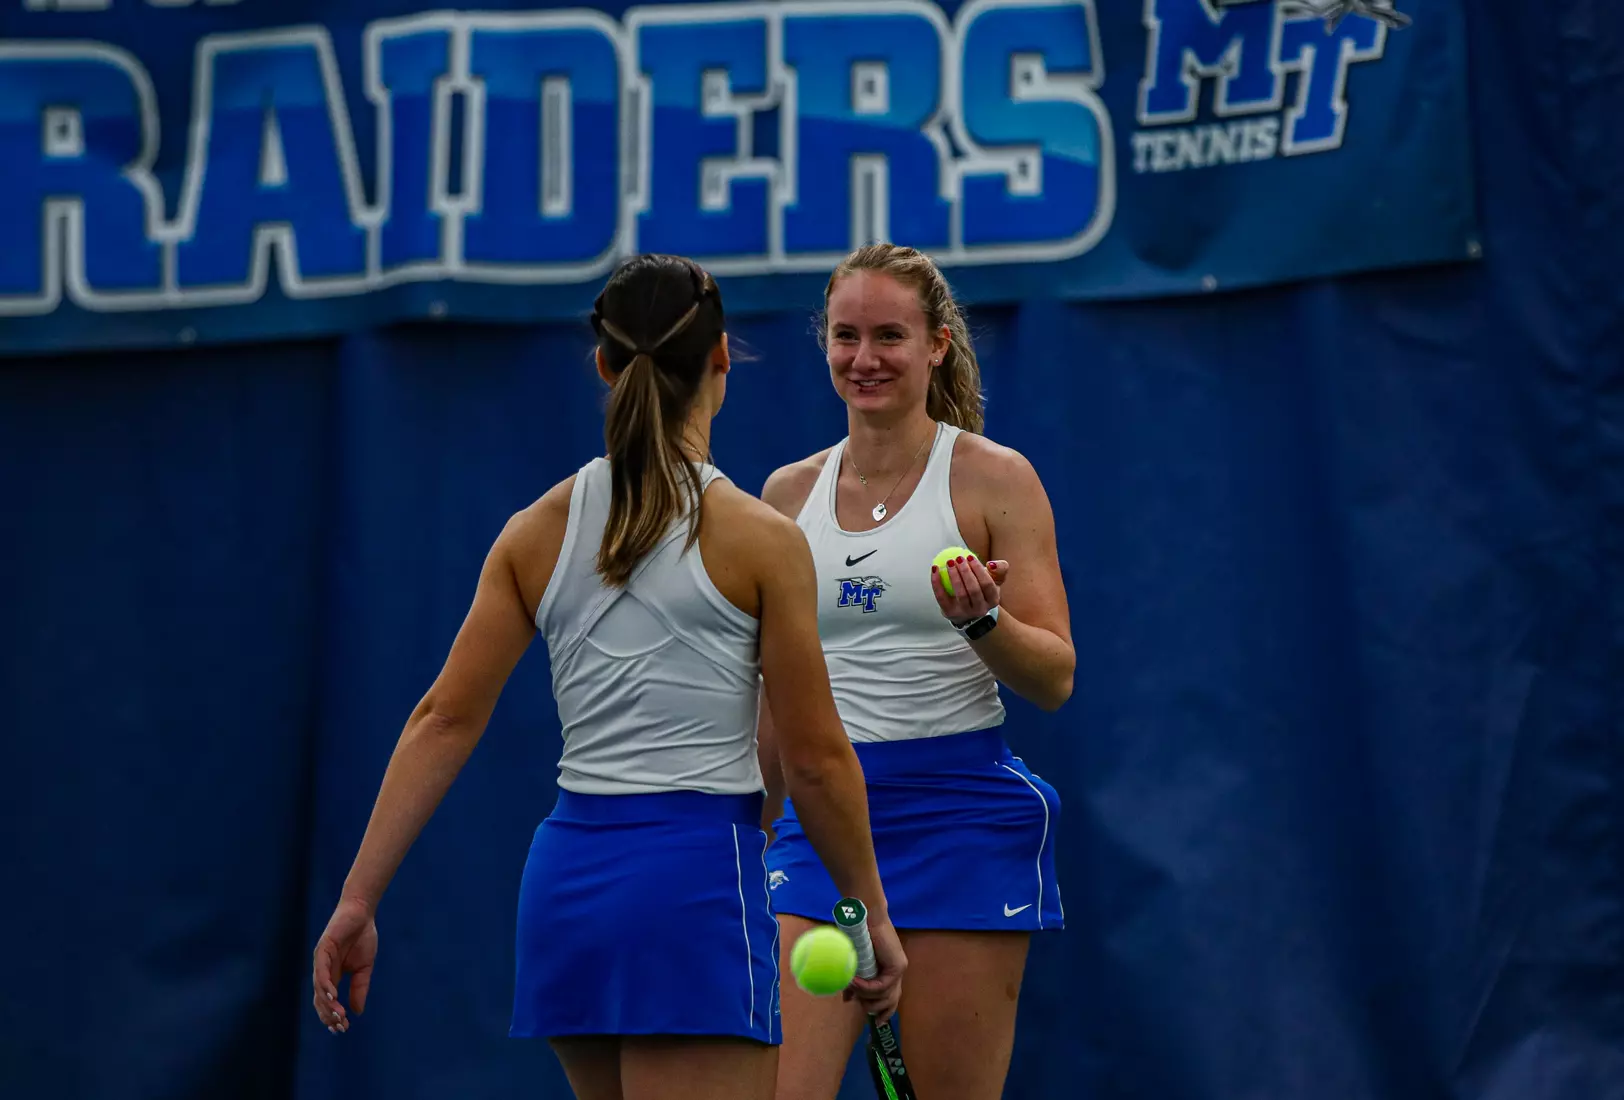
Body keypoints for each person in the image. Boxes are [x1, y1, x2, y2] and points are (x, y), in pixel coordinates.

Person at [310, 253, 906, 1100]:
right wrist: (871, 913)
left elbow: (442, 718)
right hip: (691, 888)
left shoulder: (533, 532)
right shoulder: (763, 541)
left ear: (603, 364)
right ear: (722, 359)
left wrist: (357, 901)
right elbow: (814, 759)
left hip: (567, 894)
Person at [756, 243, 1075, 1100]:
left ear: (937, 344)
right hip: (822, 822)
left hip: (959, 819)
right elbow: (770, 704)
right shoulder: (785, 497)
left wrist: (983, 622)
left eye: (889, 336)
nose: (865, 359)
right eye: (845, 336)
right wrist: (755, 826)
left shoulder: (995, 478)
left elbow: (1053, 677)